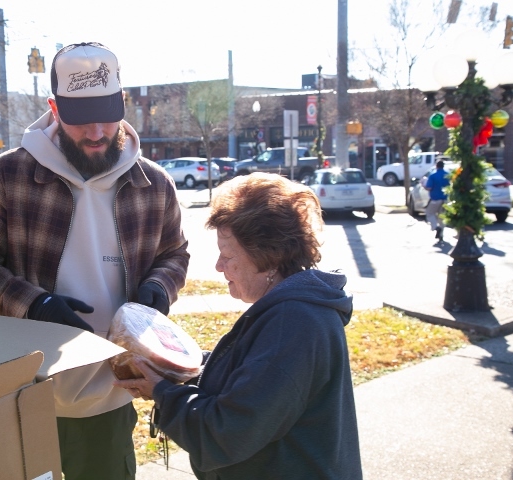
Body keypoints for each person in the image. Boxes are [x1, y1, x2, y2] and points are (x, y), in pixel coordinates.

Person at [0, 42, 189, 480]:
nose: (97, 132)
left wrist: (160, 288)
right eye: (81, 118)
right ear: (55, 108)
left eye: (107, 113)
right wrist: (34, 304)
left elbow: (174, 254)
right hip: (26, 390)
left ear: (123, 103)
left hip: (113, 391)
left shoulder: (154, 183)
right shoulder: (10, 174)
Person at [115, 172, 363, 480]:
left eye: (228, 255)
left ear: (268, 257)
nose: (219, 265)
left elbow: (225, 434)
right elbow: (251, 381)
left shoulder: (295, 323)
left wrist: (164, 393)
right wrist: (179, 365)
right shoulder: (293, 309)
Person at [425, 160, 450, 242]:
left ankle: (436, 227)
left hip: (435, 199)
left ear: (436, 166)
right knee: (441, 217)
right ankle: (441, 234)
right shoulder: (447, 175)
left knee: (429, 213)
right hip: (445, 199)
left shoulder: (433, 175)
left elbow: (429, 187)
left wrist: (424, 186)